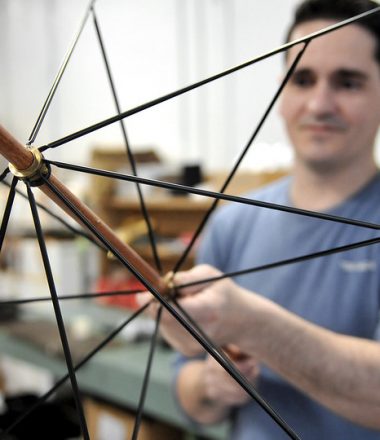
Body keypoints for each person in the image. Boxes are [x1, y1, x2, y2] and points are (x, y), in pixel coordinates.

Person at [143, 0, 380, 438]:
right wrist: (210, 385)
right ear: (280, 91)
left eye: (348, 82)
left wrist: (251, 324)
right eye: (302, 79)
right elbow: (188, 386)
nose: (319, 104)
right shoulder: (233, 222)